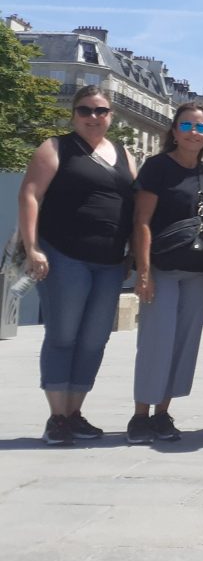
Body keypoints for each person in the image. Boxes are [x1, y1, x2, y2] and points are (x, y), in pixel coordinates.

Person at [18, 85, 136, 445]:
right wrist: (33, 248)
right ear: (74, 114)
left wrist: (132, 254)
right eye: (85, 110)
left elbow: (133, 206)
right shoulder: (56, 148)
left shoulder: (124, 154)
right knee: (63, 335)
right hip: (64, 255)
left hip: (110, 262)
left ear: (111, 115)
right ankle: (57, 417)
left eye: (101, 111)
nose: (93, 117)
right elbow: (30, 195)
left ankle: (74, 413)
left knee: (94, 339)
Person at [126, 103, 203, 444]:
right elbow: (142, 221)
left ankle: (162, 413)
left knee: (183, 343)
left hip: (196, 271)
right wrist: (144, 271)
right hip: (162, 269)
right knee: (156, 341)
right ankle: (140, 415)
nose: (194, 132)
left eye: (201, 127)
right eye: (187, 125)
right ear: (174, 131)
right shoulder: (157, 167)